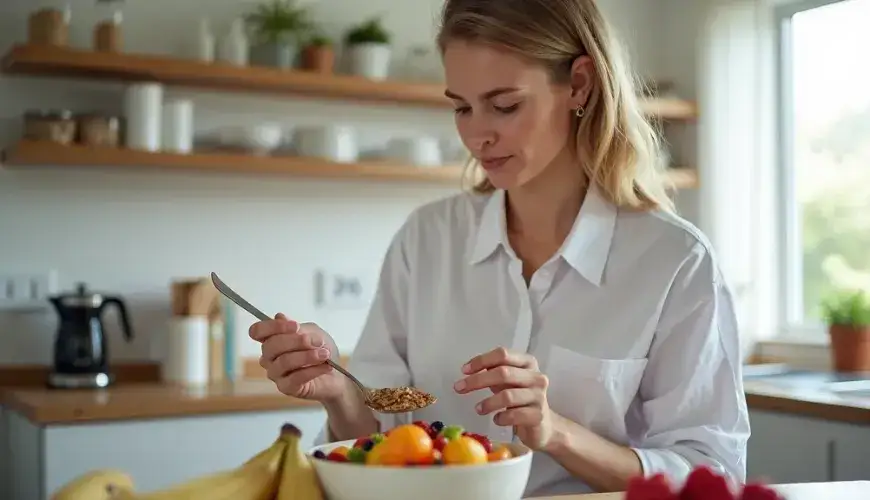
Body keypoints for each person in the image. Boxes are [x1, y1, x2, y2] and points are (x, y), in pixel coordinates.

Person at [249, 0, 751, 496]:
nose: (477, 135)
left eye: (504, 105)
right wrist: (338, 395)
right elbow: (379, 439)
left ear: (579, 84)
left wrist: (556, 432)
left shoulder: (675, 262)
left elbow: (713, 476)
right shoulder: (426, 240)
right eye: (461, 107)